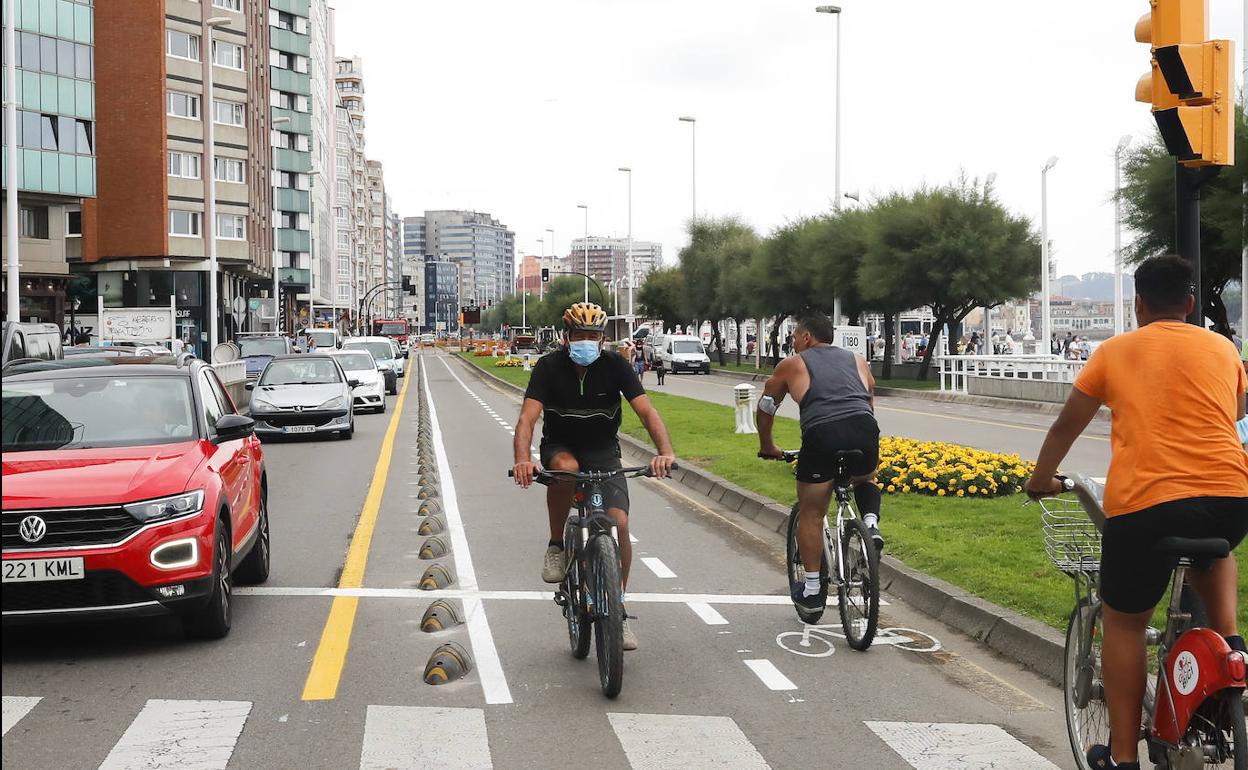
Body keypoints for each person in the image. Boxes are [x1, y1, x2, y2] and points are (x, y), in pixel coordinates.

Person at [1025, 255, 1248, 770]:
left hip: (1147, 507)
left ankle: (1123, 756)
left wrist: (1040, 480)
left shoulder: (1114, 351)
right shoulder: (1223, 348)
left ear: (1138, 305)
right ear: (1190, 303)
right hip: (1230, 499)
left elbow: (1066, 426)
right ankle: (1229, 646)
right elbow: (1236, 414)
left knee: (1125, 625)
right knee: (1216, 553)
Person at [511, 303, 677, 651]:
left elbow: (646, 411)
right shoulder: (548, 367)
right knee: (567, 470)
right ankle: (556, 545)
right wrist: (523, 460)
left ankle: (617, 609)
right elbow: (527, 418)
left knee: (619, 523)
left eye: (593, 335)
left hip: (603, 450)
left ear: (602, 339)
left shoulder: (616, 365)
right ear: (566, 337)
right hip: (561, 446)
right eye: (579, 335)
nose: (586, 341)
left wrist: (665, 452)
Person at [756, 312, 883, 620]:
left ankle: (813, 591)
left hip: (822, 433)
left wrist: (768, 446)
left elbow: (766, 407)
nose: (793, 343)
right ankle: (870, 524)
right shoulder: (858, 360)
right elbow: (869, 397)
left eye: (794, 337)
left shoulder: (791, 364)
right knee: (865, 477)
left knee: (811, 513)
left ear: (807, 337)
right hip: (864, 429)